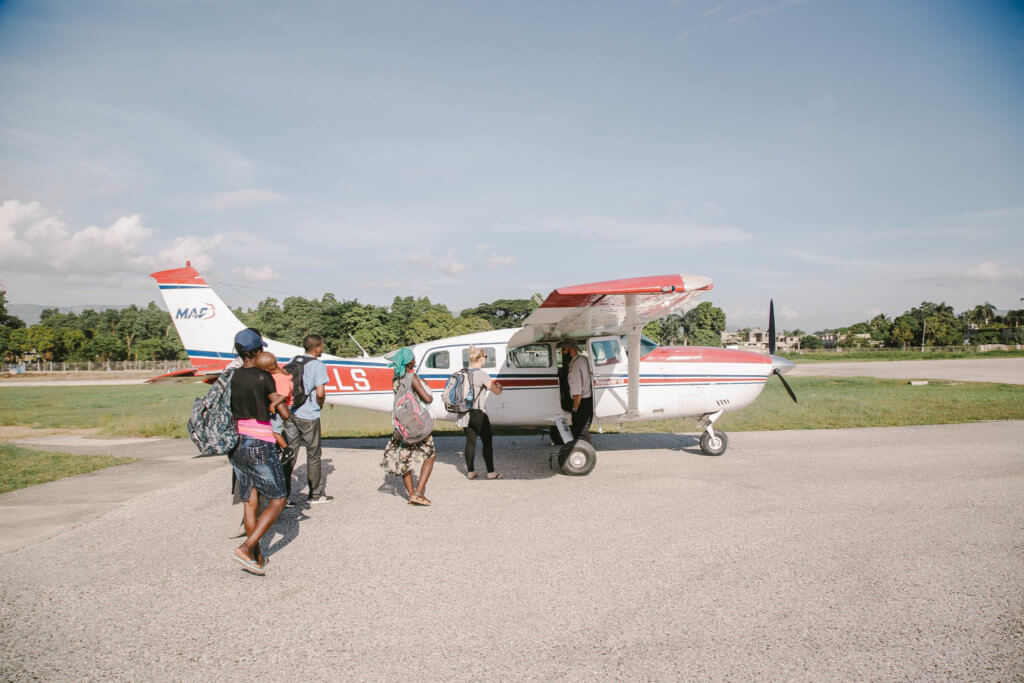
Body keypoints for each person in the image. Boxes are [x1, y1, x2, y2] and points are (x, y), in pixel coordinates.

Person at [228, 328, 289, 575]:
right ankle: (246, 547)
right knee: (279, 498)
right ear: (256, 351)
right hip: (260, 443)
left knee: (249, 501)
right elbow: (284, 413)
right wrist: (278, 401)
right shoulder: (264, 378)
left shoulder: (230, 376)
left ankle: (256, 557)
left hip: (237, 443)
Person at [380, 347, 436, 506]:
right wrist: (424, 386)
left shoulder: (396, 379)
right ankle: (418, 493)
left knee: (405, 460)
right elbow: (427, 398)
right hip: (416, 425)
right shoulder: (412, 377)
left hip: (402, 425)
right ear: (407, 362)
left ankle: (412, 495)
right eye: (413, 359)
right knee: (430, 456)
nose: (415, 361)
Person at [283, 334, 332, 505]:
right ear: (317, 347)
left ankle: (283, 497)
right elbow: (320, 392)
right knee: (313, 455)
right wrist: (320, 406)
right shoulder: (318, 366)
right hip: (309, 414)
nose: (322, 348)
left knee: (289, 454)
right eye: (321, 346)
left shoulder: (294, 361)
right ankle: (316, 494)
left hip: (290, 413)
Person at [458, 345, 503, 479]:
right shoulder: (482, 374)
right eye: (485, 357)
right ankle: (490, 472)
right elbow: (496, 391)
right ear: (479, 359)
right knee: (487, 441)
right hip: (477, 413)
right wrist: (500, 387)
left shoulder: (461, 373)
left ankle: (471, 472)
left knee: (470, 442)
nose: (485, 359)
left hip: (463, 412)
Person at [255, 351, 292, 454]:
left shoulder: (279, 378)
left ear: (266, 369)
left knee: (275, 430)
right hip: (280, 405)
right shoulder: (281, 371)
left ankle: (285, 449)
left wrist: (273, 404)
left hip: (282, 406)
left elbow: (284, 394)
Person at [559, 339, 593, 444]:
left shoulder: (574, 367)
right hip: (588, 401)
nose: (562, 352)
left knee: (580, 433)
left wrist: (575, 408)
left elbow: (577, 394)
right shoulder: (584, 359)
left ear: (571, 350)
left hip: (581, 403)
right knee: (584, 430)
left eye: (564, 350)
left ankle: (584, 455)